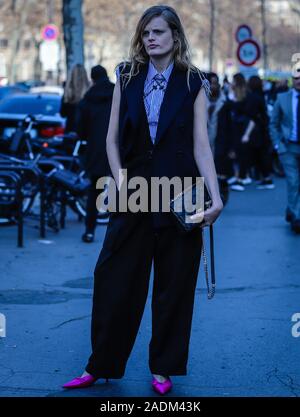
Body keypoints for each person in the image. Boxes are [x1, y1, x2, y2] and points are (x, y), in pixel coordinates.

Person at [62, 5, 223, 395]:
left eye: (158, 32)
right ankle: (99, 365)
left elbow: (202, 145)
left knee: (173, 286)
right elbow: (111, 138)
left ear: (175, 37)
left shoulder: (193, 82)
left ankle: (163, 370)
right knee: (114, 278)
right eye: (146, 32)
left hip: (182, 193)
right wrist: (118, 178)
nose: (150, 38)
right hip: (133, 192)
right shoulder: (127, 75)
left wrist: (215, 198)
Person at [76, 65, 114, 243]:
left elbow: (81, 131)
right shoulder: (117, 92)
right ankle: (117, 234)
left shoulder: (87, 99)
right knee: (122, 191)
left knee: (94, 191)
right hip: (119, 148)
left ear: (92, 78)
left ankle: (89, 230)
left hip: (96, 149)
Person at [269, 63, 300, 234]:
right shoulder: (283, 98)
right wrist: (277, 145)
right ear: (291, 80)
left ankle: (292, 208)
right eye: (296, 78)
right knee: (293, 181)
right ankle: (297, 217)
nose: (299, 81)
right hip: (288, 148)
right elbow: (273, 124)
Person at [206, 72, 232, 204]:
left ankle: (219, 197)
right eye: (209, 83)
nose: (212, 86)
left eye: (215, 83)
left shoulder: (225, 103)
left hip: (220, 144)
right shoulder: (198, 101)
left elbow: (229, 127)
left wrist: (230, 148)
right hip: (203, 144)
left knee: (219, 172)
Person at [60, 63, 90, 133]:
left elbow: (62, 114)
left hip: (70, 132)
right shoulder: (90, 94)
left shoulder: (67, 94)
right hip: (86, 134)